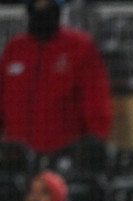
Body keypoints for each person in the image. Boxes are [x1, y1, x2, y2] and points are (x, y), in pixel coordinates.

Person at [0, 0, 113, 156]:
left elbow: (97, 104)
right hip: (18, 160)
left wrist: (94, 146)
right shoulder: (14, 48)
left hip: (64, 160)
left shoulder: (79, 46)